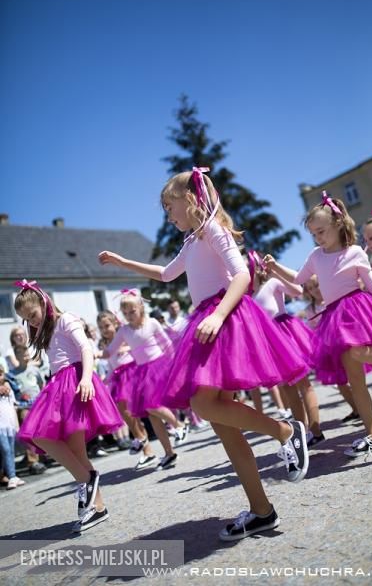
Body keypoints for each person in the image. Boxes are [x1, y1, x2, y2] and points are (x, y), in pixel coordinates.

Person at [99, 167, 310, 541]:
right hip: (207, 321)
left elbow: (242, 276)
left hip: (224, 319)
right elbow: (166, 275)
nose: (168, 215)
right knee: (225, 429)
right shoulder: (192, 241)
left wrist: (217, 314)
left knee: (203, 404)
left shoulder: (213, 230)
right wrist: (123, 263)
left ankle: (286, 430)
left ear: (192, 200)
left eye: (170, 206)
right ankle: (262, 511)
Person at [265, 191, 372, 458]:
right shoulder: (316, 255)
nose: (318, 237)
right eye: (313, 233)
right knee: (355, 380)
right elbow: (300, 278)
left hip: (357, 309)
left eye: (321, 231)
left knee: (357, 351)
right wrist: (276, 267)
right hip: (334, 314)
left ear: (338, 225)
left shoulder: (355, 253)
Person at [14, 279, 123, 532]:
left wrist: (86, 379)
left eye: (33, 315)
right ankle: (97, 505)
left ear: (44, 302)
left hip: (74, 382)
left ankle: (88, 483)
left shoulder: (65, 320)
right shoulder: (46, 331)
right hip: (58, 386)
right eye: (26, 320)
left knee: (62, 445)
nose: (32, 322)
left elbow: (85, 347)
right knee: (58, 444)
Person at [103, 290, 189, 470]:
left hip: (158, 366)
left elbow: (166, 344)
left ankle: (179, 424)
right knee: (152, 416)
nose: (128, 316)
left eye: (132, 312)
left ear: (140, 308)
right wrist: (91, 353)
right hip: (142, 372)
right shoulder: (125, 331)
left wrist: (174, 367)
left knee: (152, 406)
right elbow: (110, 350)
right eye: (125, 313)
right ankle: (169, 453)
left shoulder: (152, 323)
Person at [248, 251, 324, 447]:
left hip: (286, 334)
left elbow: (298, 291)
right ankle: (301, 432)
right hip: (269, 342)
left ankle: (315, 430)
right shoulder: (247, 298)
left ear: (255, 269)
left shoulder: (271, 283)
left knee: (304, 384)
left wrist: (276, 271)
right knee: (288, 389)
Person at [97, 309, 157, 468]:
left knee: (132, 412)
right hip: (118, 378)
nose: (104, 330)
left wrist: (127, 349)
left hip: (131, 374)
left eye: (107, 325)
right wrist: (105, 380)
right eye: (101, 327)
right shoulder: (105, 344)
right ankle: (145, 446)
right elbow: (111, 365)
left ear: (115, 323)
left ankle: (146, 445)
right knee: (127, 414)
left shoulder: (123, 336)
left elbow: (137, 349)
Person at [303, 275, 359, 423]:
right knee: (341, 383)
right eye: (310, 288)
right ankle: (356, 408)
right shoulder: (310, 309)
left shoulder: (332, 299)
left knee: (354, 378)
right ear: (307, 292)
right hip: (328, 349)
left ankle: (362, 406)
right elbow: (313, 331)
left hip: (344, 343)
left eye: (316, 285)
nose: (314, 290)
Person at [11, 345, 47, 474]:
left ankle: (47, 454)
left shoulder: (35, 370)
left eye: (26, 352)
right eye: (21, 353)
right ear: (16, 356)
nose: (25, 355)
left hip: (39, 404)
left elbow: (42, 386)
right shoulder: (13, 375)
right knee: (27, 426)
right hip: (25, 406)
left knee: (46, 426)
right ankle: (33, 460)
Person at [0, 365, 25, 490]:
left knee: (10, 451)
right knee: (5, 450)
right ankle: (11, 476)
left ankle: (12, 475)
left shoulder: (8, 387)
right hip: (0, 427)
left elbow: (13, 406)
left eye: (1, 374)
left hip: (9, 424)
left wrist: (16, 425)